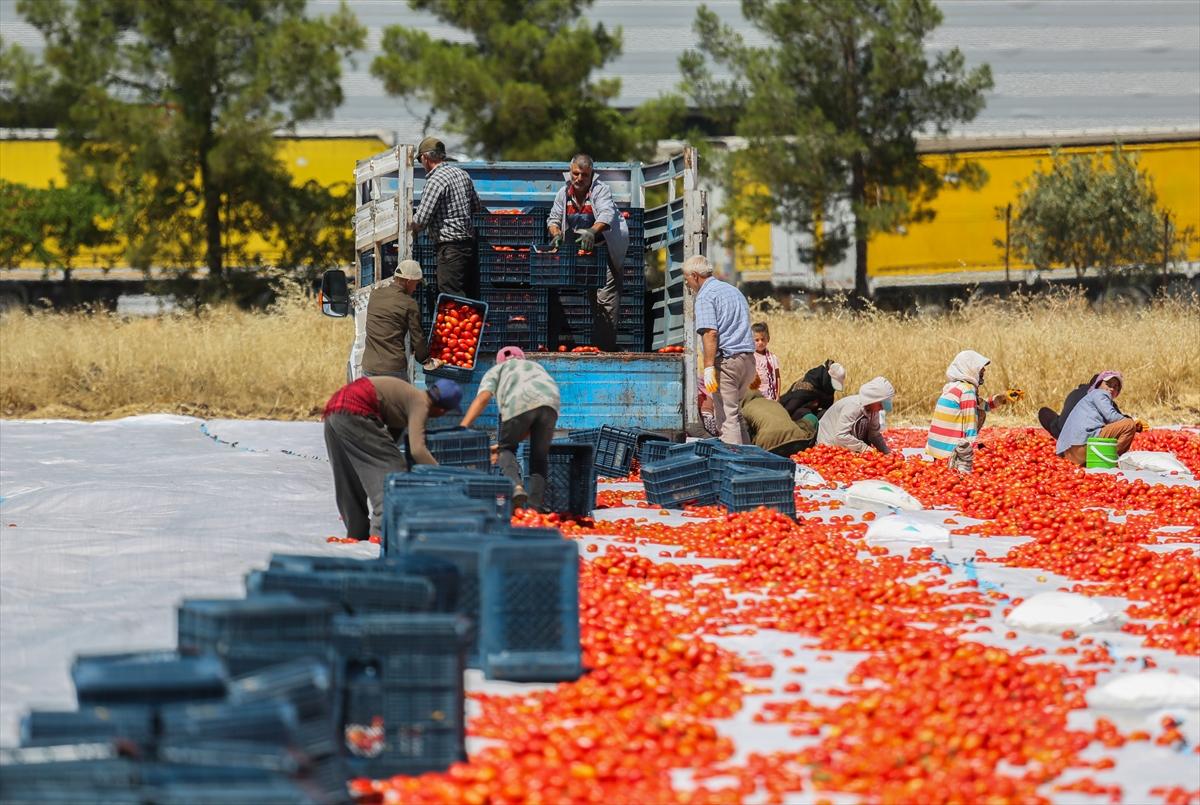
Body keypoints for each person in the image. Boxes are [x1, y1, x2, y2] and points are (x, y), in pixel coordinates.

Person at [322, 376, 462, 541]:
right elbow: (417, 450)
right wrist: (442, 475)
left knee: (349, 477)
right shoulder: (420, 402)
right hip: (355, 411)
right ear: (441, 410)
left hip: (335, 411)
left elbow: (387, 444)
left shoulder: (406, 397)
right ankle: (380, 535)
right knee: (394, 473)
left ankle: (356, 533)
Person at [459, 346, 561, 511]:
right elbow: (536, 409)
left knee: (506, 450)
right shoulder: (536, 367)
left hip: (518, 403)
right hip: (551, 403)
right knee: (539, 457)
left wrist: (463, 426)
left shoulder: (497, 370)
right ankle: (535, 509)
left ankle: (515, 487)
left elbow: (482, 398)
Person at [547, 154, 630, 351]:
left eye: (584, 175)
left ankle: (606, 348)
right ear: (570, 172)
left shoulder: (600, 191)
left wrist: (593, 231)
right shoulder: (563, 194)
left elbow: (606, 214)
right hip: (584, 254)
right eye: (576, 173)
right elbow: (553, 219)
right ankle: (598, 346)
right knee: (594, 299)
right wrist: (556, 234)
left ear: (591, 174)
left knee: (606, 300)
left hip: (605, 250)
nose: (579, 178)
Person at [683, 255, 756, 445]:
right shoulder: (733, 290)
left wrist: (708, 367)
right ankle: (748, 459)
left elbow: (710, 333)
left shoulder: (705, 296)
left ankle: (734, 465)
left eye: (687, 279)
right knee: (735, 414)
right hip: (747, 361)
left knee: (726, 418)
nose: (687, 283)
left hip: (727, 362)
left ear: (695, 275)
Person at [409, 136, 482, 298]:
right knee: (468, 295)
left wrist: (408, 228)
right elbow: (477, 206)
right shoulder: (462, 174)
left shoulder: (436, 181)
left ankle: (459, 323)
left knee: (451, 294)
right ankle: (470, 323)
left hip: (450, 249)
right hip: (468, 245)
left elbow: (420, 220)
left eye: (420, 160)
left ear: (426, 158)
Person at [925, 350, 1023, 468]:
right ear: (970, 368)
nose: (984, 371)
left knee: (980, 411)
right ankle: (958, 459)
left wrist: (1004, 397)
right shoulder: (967, 391)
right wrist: (972, 456)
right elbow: (970, 426)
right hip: (949, 454)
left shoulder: (953, 387)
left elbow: (984, 405)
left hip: (936, 451)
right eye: (980, 368)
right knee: (980, 414)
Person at [1056, 371, 1146, 466]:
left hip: (1070, 452)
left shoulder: (1090, 398)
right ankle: (1110, 459)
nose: (1111, 388)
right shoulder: (1099, 393)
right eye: (1108, 384)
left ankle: (1096, 459)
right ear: (1098, 384)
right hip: (1082, 446)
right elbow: (1112, 416)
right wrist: (1134, 422)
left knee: (1125, 424)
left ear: (1117, 393)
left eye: (1115, 387)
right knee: (1129, 425)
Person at [360, 259, 430, 379]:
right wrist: (425, 359)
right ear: (408, 282)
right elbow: (417, 338)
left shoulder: (375, 295)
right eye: (416, 284)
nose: (415, 289)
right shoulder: (409, 303)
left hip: (368, 367)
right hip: (392, 369)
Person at [816, 377, 895, 454]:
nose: (882, 408)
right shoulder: (853, 406)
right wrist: (865, 448)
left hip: (844, 446)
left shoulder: (873, 410)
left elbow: (874, 435)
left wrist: (886, 453)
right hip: (827, 445)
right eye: (881, 404)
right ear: (873, 399)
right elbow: (841, 435)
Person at [741, 389, 818, 456]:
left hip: (769, 448)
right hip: (798, 439)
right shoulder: (774, 403)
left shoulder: (744, 411)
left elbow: (746, 437)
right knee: (811, 417)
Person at [780, 360, 845, 423]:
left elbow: (827, 407)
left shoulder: (826, 391)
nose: (832, 388)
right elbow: (788, 410)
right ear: (827, 378)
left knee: (826, 414)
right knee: (806, 414)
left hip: (810, 422)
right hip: (793, 419)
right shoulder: (805, 388)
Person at [1038, 374, 1099, 439]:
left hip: (1063, 433)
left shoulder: (1074, 393)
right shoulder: (1100, 396)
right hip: (1086, 438)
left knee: (1044, 413)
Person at [751, 322, 781, 401]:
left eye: (763, 339)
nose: (760, 342)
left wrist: (778, 395)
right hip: (757, 398)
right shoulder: (750, 358)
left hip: (771, 398)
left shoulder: (772, 358)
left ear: (768, 339)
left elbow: (777, 377)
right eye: (756, 340)